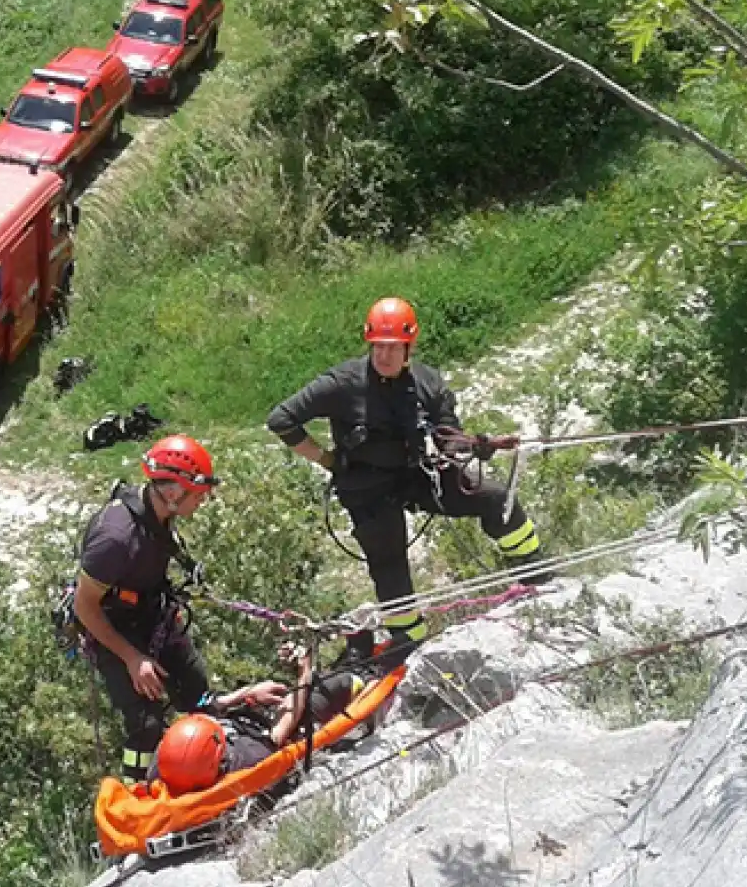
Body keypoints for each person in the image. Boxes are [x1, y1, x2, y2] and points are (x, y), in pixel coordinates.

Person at [265, 297, 544, 663]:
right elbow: (281, 419)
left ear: (408, 347)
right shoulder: (342, 383)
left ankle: (535, 572)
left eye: (392, 348)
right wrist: (328, 460)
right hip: (366, 487)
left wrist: (477, 446)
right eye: (378, 347)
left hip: (416, 473)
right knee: (389, 560)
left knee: (493, 497)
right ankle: (408, 640)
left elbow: (447, 436)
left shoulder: (427, 383)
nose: (383, 356)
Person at [74, 434, 268, 783]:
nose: (202, 502)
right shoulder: (115, 537)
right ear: (174, 492)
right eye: (199, 495)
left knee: (199, 696)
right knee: (146, 725)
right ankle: (139, 796)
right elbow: (84, 606)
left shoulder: (157, 511)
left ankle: (207, 772)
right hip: (112, 626)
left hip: (152, 612)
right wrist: (133, 658)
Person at [149, 642, 372, 795]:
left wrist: (247, 693)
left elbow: (207, 709)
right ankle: (365, 672)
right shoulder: (248, 759)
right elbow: (285, 724)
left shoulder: (166, 765)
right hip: (273, 722)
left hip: (247, 716)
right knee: (338, 684)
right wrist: (304, 671)